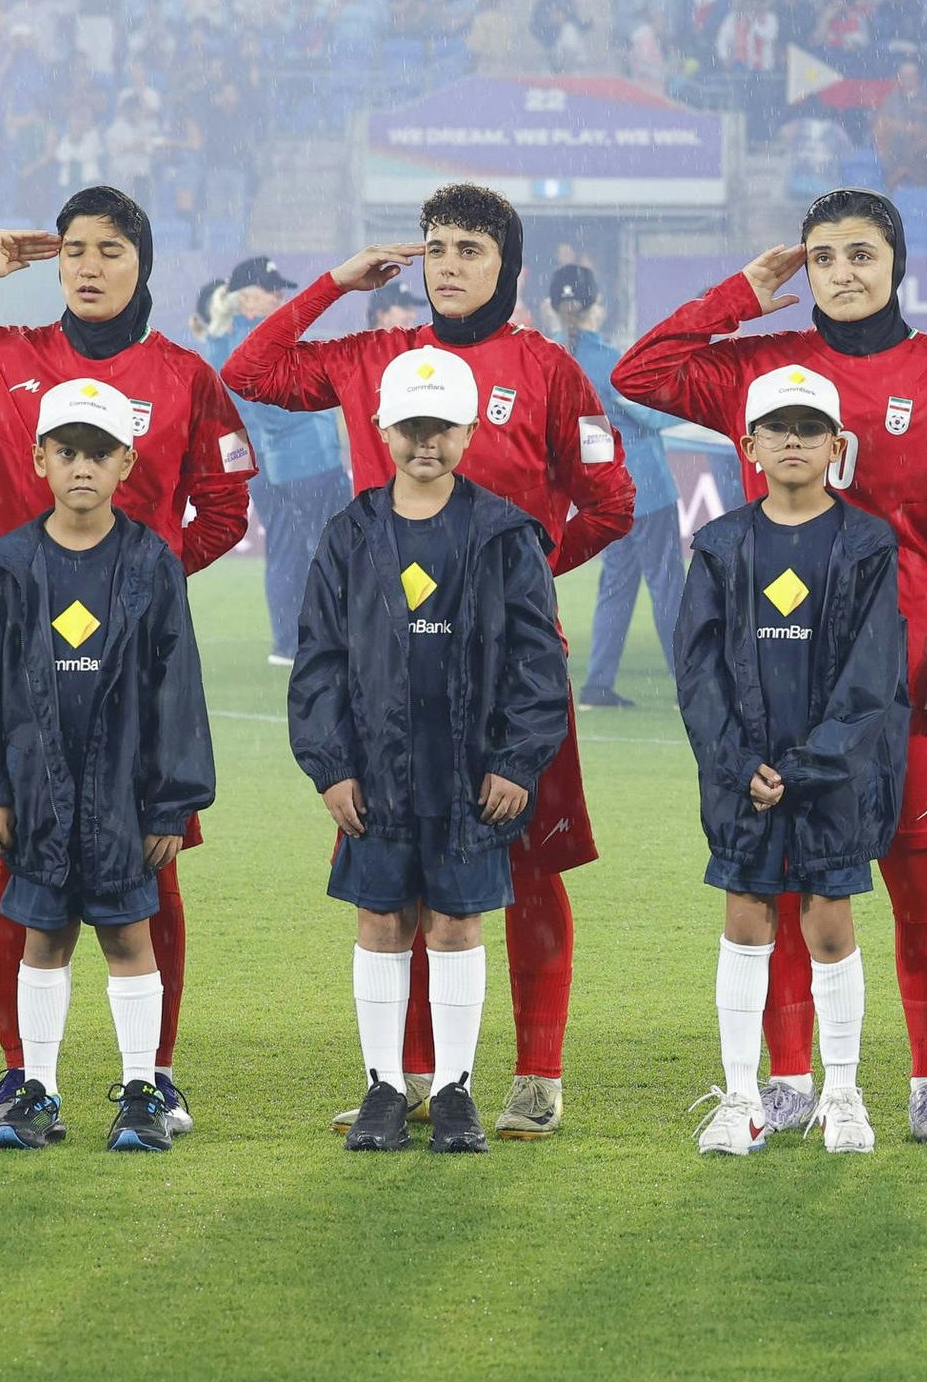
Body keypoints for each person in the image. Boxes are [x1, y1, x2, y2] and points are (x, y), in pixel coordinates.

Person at [219, 186, 633, 1140]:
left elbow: (610, 502)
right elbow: (253, 367)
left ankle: (537, 1076)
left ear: (508, 266)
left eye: (471, 249)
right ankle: (405, 1079)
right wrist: (335, 281)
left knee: (529, 871)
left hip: (512, 681)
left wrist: (514, 582)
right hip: (386, 677)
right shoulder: (380, 356)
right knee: (394, 882)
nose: (448, 264)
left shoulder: (551, 371)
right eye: (437, 247)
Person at [0, 186, 254, 1137]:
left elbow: (227, 509)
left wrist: (138, 594)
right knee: (13, 867)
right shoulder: (4, 354)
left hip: (128, 674)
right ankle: (20, 1074)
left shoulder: (187, 377)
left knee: (151, 872)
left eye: (110, 249)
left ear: (143, 263)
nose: (87, 264)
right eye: (74, 248)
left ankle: (152, 1073)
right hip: (17, 659)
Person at [621, 191, 927, 1144]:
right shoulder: (760, 367)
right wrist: (742, 293)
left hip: (896, 675)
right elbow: (642, 369)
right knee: (781, 879)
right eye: (821, 257)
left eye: (861, 253)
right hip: (769, 674)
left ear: (897, 262)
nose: (842, 273)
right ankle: (787, 1080)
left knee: (918, 881)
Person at [286, 350, 574, 1154]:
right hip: (374, 776)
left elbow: (537, 660)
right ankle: (384, 1086)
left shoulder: (505, 532)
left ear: (469, 431)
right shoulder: (351, 535)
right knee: (381, 922)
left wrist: (516, 761)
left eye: (440, 427)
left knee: (455, 925)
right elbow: (319, 662)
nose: (425, 442)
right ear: (381, 430)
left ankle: (453, 1090)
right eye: (410, 426)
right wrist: (331, 765)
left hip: (470, 777)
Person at [0, 377, 218, 1156]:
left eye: (100, 452)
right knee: (43, 939)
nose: (83, 467)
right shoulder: (9, 563)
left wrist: (171, 806)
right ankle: (39, 1090)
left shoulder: (150, 562)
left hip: (126, 799)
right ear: (39, 460)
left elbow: (177, 691)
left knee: (131, 939)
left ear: (128, 462)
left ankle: (140, 1093)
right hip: (34, 797)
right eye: (68, 452)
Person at [678, 367, 911, 1156]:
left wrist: (809, 765)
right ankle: (741, 1098)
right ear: (748, 446)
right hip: (742, 778)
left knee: (830, 925)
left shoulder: (869, 542)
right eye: (776, 428)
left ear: (837, 446)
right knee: (745, 919)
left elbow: (874, 673)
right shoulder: (719, 544)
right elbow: (698, 672)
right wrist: (739, 763)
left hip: (831, 780)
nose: (793, 441)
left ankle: (842, 1095)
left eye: (810, 429)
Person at [547, 263, 688, 711]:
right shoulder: (611, 360)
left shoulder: (559, 359)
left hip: (605, 493)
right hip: (646, 485)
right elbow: (653, 415)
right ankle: (688, 681)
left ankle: (598, 683)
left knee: (616, 586)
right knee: (668, 585)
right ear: (598, 307)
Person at [197, 258, 346, 670]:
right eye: (270, 289)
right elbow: (279, 409)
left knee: (289, 554)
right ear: (245, 299)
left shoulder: (229, 337)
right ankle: (331, 641)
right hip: (306, 463)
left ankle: (289, 642)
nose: (279, 296)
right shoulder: (253, 342)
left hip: (276, 464)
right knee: (329, 552)